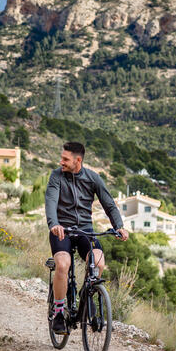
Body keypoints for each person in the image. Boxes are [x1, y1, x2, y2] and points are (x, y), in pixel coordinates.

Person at [44, 141, 129, 334]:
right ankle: (58, 313)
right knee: (63, 264)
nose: (61, 162)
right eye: (62, 158)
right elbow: (50, 201)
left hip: (85, 230)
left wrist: (119, 227)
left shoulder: (93, 178)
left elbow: (109, 204)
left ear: (78, 160)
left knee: (98, 262)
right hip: (62, 230)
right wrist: (54, 224)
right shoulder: (56, 176)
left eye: (65, 159)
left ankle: (88, 293)